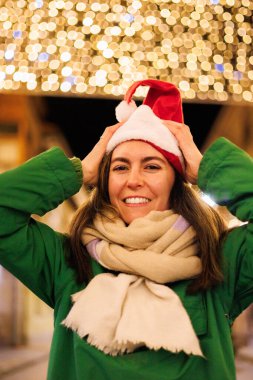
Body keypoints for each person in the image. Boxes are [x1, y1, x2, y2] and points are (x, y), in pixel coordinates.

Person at [0, 79, 252, 380]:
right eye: (120, 167)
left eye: (152, 166)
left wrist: (207, 167)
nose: (134, 180)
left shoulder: (221, 261)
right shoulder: (66, 261)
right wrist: (79, 171)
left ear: (177, 181)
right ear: (106, 181)